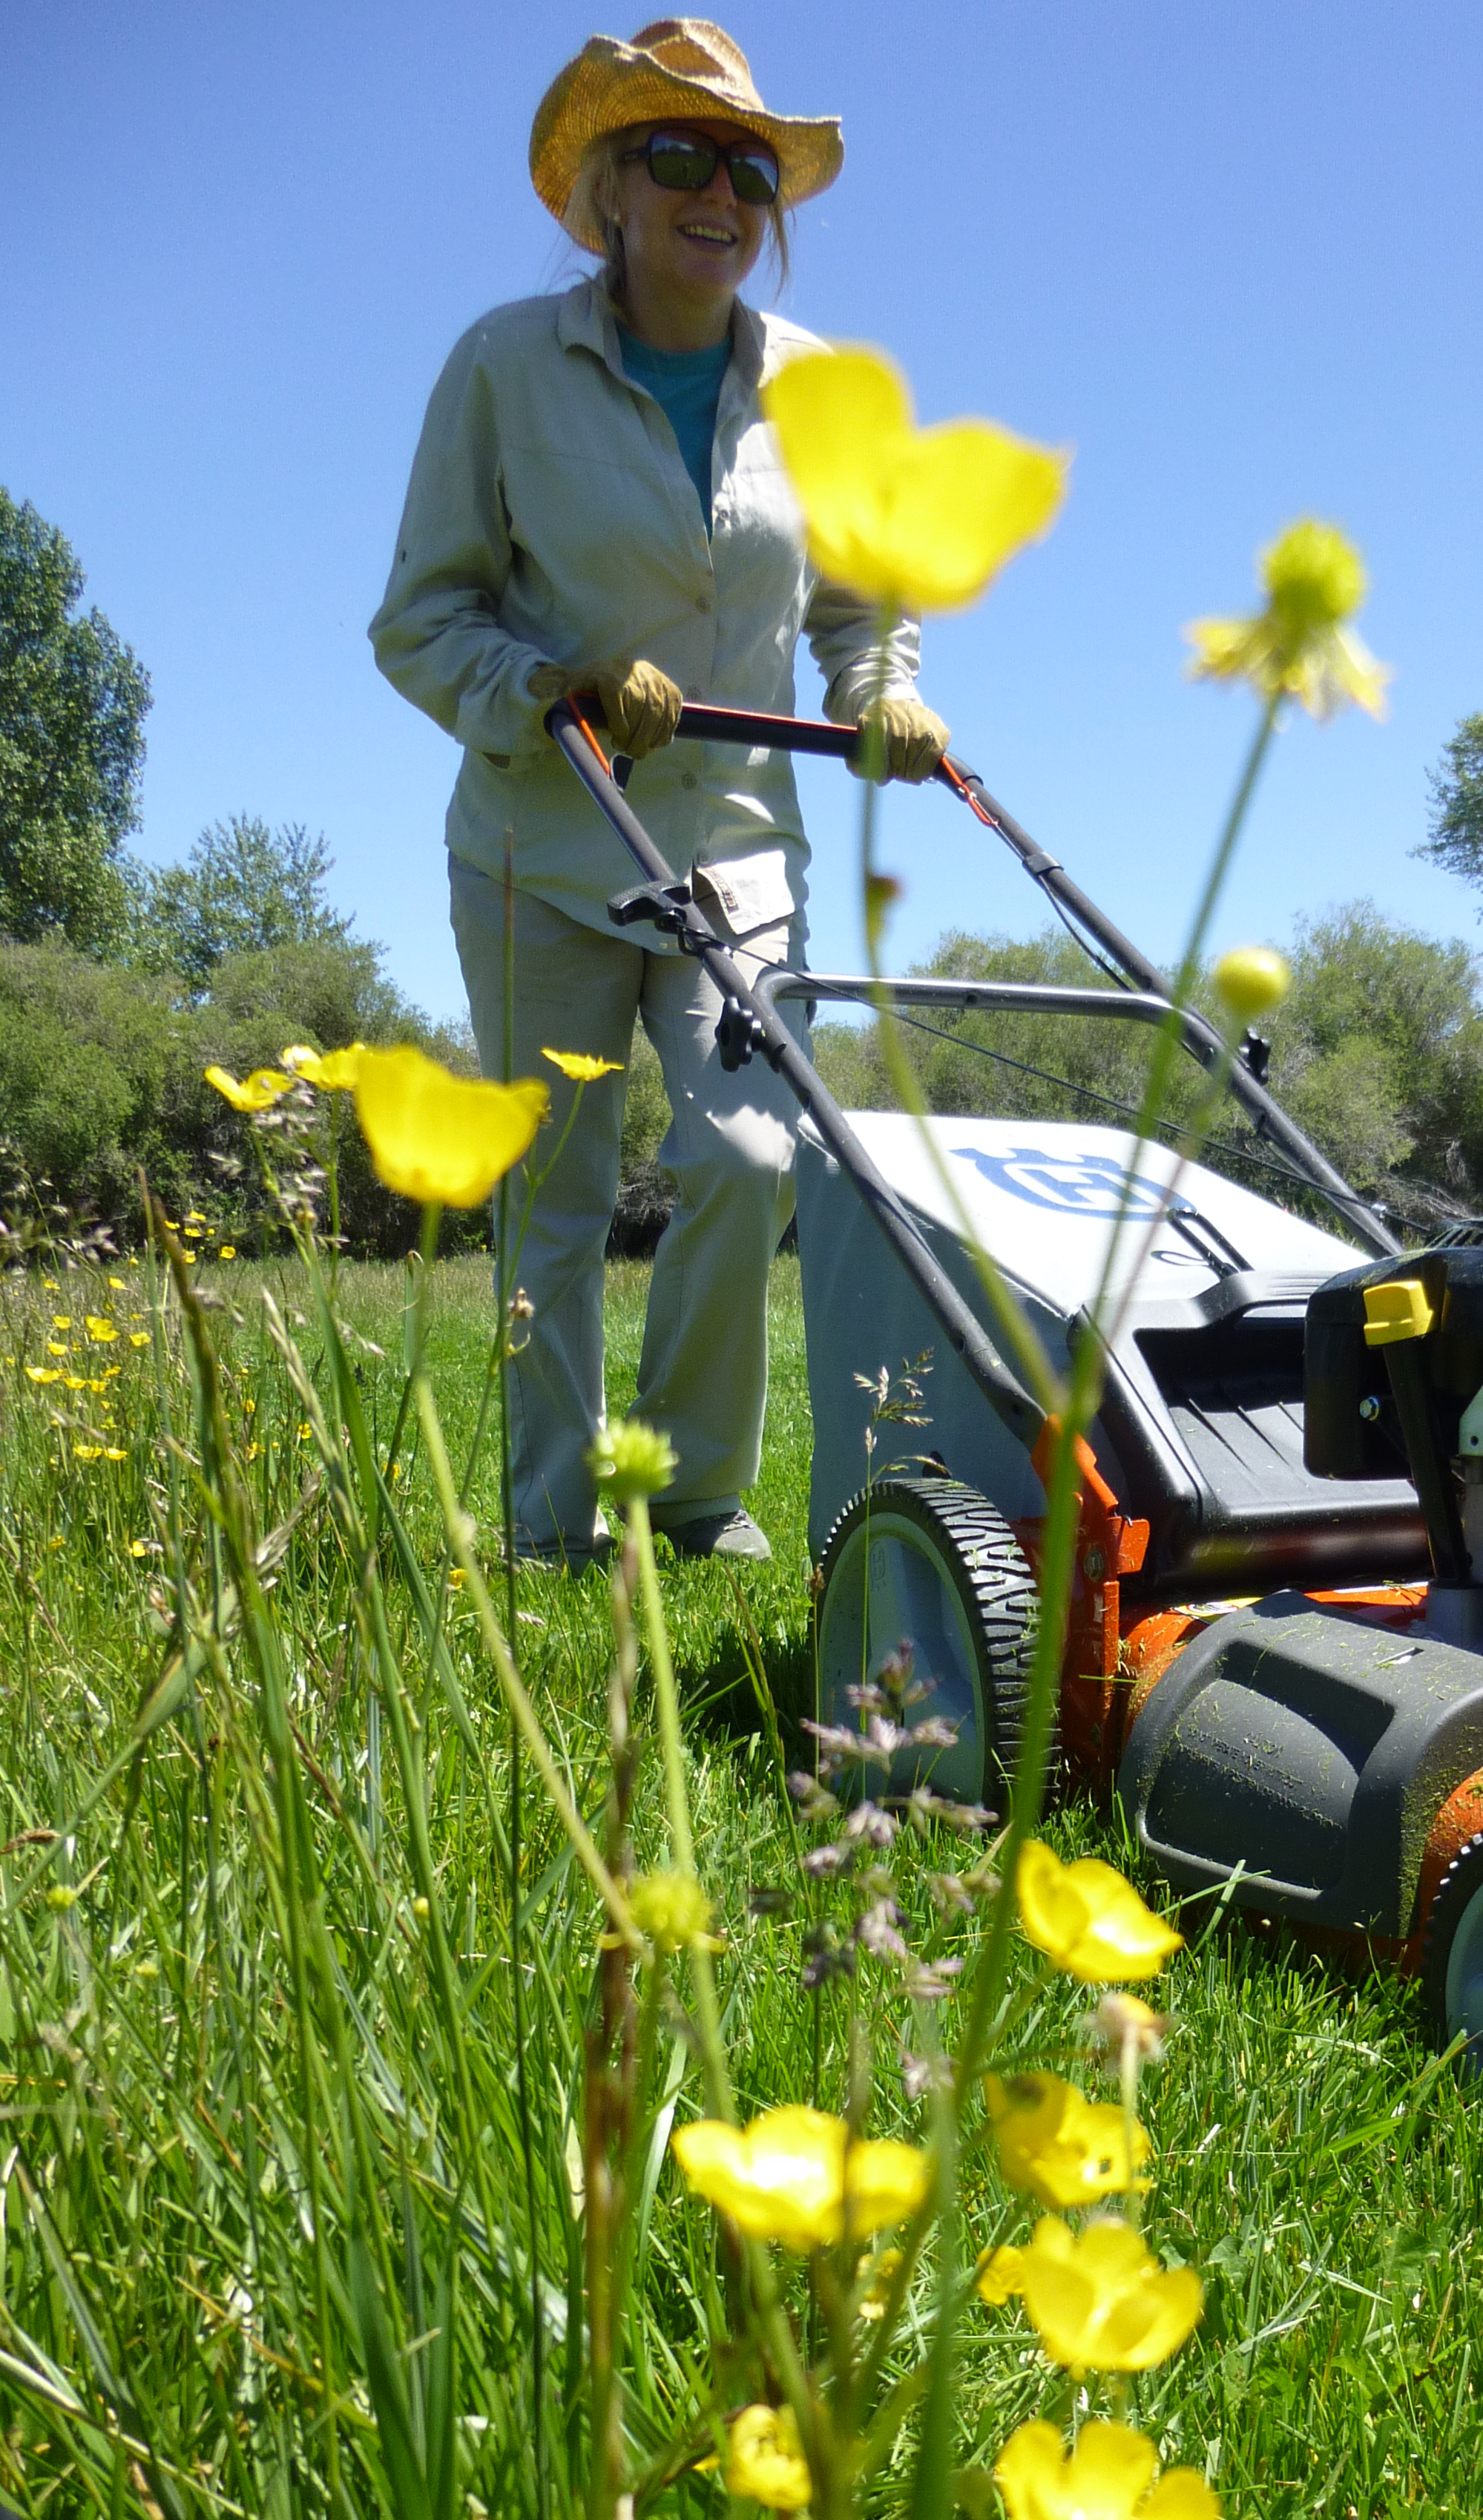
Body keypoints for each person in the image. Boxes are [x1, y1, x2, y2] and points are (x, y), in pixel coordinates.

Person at [371, 18, 949, 1563]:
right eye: (680, 157)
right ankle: (555, 1527)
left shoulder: (821, 392)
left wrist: (884, 692)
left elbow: (863, 602)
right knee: (552, 1194)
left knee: (754, 1152)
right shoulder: (504, 364)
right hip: (539, 844)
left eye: (749, 172)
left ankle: (690, 1498)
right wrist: (551, 692)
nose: (721, 197)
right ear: (610, 192)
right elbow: (422, 619)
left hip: (739, 848)